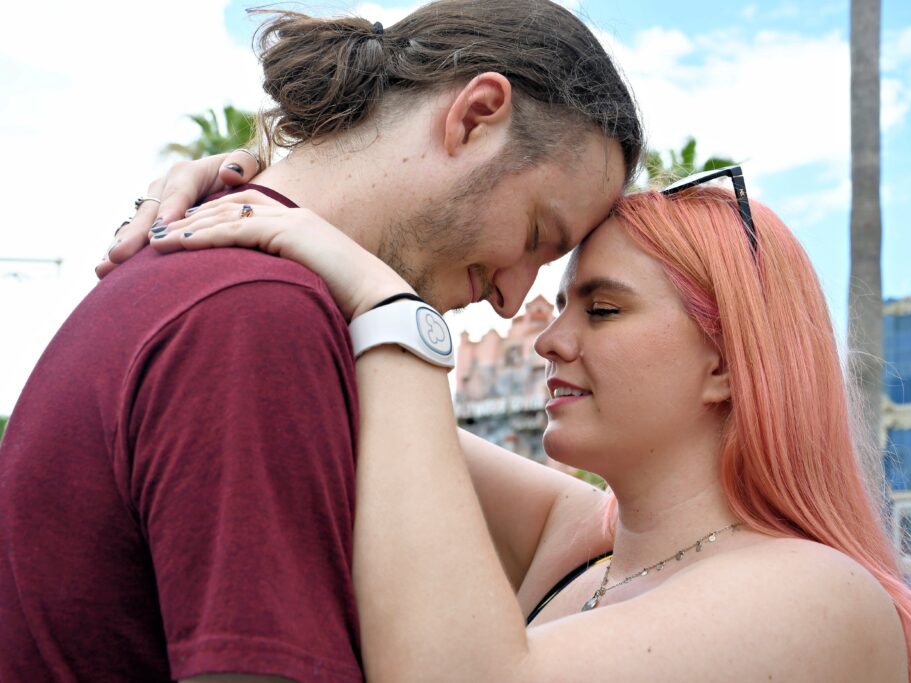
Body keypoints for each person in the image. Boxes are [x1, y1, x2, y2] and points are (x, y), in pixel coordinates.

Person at [0, 2, 641, 681]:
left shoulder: (221, 286)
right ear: (476, 117)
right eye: (538, 234)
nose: (513, 298)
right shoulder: (258, 316)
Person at [136, 170, 911, 681]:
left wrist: (399, 318)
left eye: (601, 308)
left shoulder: (819, 594)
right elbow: (330, 400)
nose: (551, 339)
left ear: (727, 364)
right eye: (562, 305)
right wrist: (264, 191)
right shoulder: (585, 542)